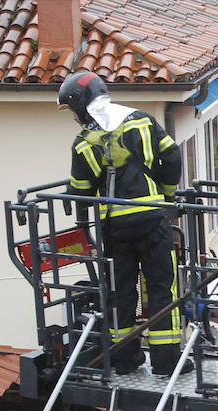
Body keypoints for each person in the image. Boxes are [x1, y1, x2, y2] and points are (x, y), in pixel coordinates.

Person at [61, 70, 185, 376]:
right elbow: (172, 157)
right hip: (154, 221)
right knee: (161, 288)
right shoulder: (142, 120)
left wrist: (74, 202)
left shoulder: (84, 142)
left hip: (116, 229)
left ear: (82, 106)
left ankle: (126, 360)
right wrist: (167, 197)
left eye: (73, 111)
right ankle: (166, 362)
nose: (74, 118)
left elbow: (81, 191)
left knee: (120, 292)